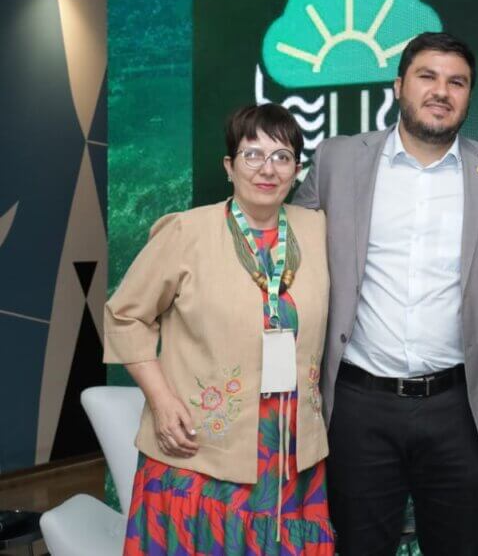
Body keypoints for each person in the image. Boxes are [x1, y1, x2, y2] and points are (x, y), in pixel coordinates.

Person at [292, 31, 478, 555]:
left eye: (456, 82)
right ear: (399, 86)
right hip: (358, 405)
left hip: (456, 407)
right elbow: (284, 247)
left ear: (468, 96)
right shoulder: (337, 160)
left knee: (457, 547)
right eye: (427, 77)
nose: (441, 91)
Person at [104, 104, 333, 554]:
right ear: (229, 166)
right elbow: (124, 315)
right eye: (252, 155)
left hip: (289, 454)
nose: (267, 169)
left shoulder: (318, 229)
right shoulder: (185, 231)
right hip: (201, 452)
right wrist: (161, 400)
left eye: (282, 156)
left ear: (297, 169)